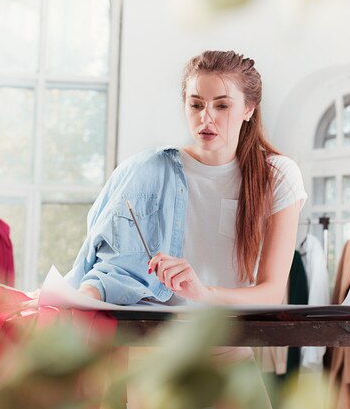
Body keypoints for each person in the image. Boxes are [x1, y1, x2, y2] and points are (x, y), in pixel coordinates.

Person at [65, 50, 306, 307]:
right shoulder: (147, 171)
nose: (206, 117)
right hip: (150, 337)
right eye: (196, 105)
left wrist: (203, 293)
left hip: (228, 340)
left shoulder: (278, 176)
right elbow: (112, 267)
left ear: (248, 109)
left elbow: (271, 293)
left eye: (222, 105)